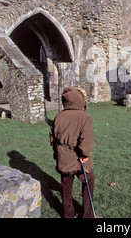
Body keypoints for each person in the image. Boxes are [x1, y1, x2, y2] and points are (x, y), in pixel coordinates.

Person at [50, 86, 96, 218]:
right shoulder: (84, 117)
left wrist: (57, 155)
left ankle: (68, 214)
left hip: (63, 157)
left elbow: (53, 138)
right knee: (89, 181)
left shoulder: (59, 116)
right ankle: (88, 215)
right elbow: (87, 138)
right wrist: (84, 155)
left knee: (66, 186)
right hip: (79, 158)